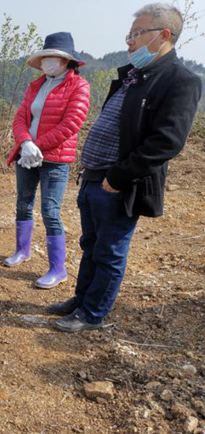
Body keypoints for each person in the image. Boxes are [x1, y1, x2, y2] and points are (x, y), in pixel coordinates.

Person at [49, 3, 202, 332]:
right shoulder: (132, 76)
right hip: (93, 177)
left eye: (136, 34)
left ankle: (93, 314)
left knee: (110, 250)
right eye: (129, 35)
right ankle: (81, 300)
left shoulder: (180, 81)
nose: (129, 42)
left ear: (163, 35)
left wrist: (117, 177)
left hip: (119, 183)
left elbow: (166, 142)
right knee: (91, 244)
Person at [3, 32, 91, 289]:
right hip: (27, 154)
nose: (47, 62)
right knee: (23, 203)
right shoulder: (36, 86)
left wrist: (36, 146)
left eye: (52, 57)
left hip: (54, 159)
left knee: (51, 212)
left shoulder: (79, 87)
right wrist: (26, 143)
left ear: (66, 61)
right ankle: (22, 251)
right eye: (45, 58)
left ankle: (57, 268)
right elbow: (20, 118)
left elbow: (72, 123)